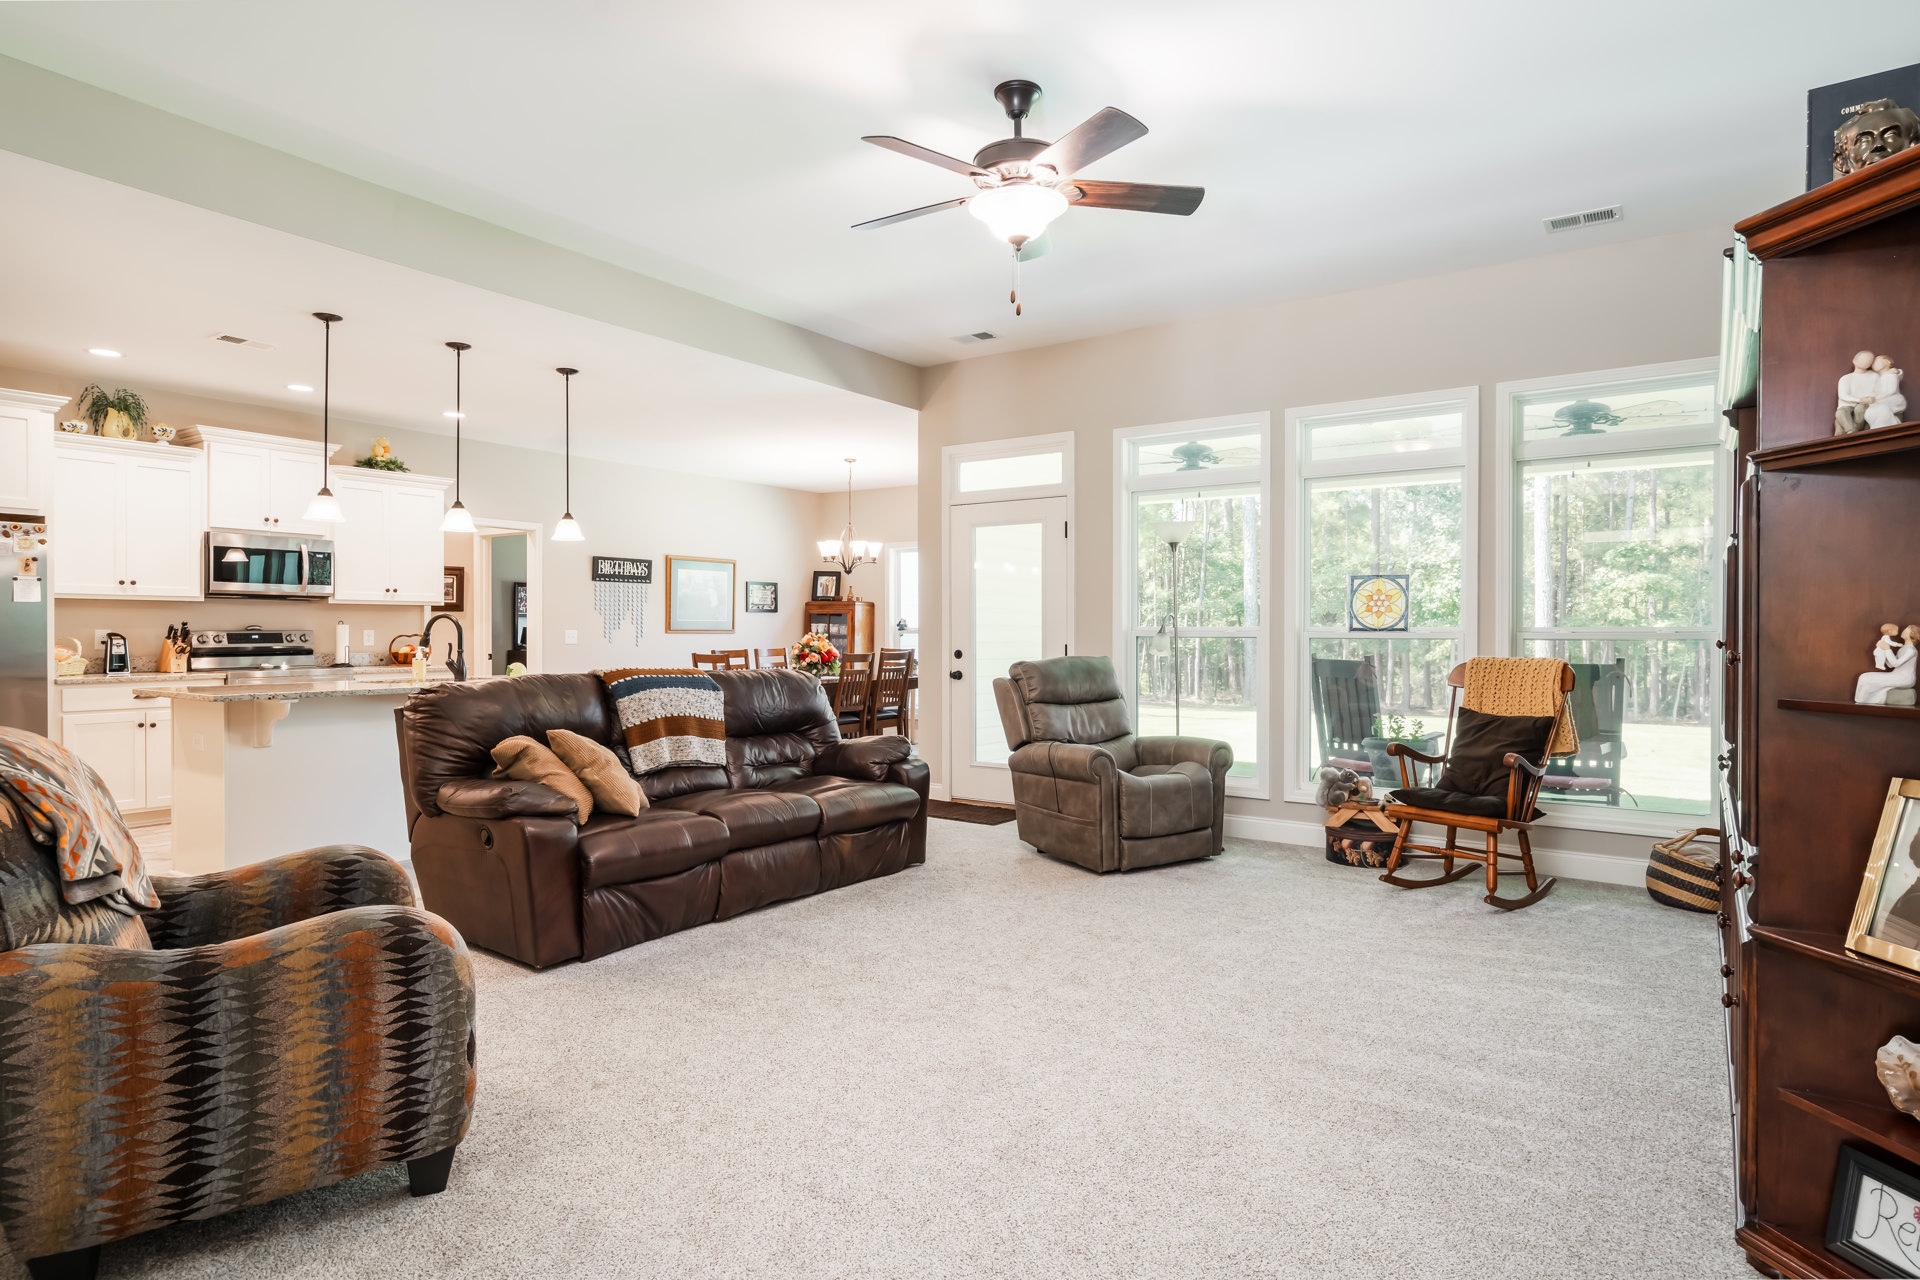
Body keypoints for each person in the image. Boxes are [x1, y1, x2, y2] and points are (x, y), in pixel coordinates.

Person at [1858, 625, 1920, 704]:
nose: (1904, 630)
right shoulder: (1903, 648)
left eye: (1907, 629)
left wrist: (1887, 649)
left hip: (1905, 678)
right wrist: (1883, 651)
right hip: (1896, 675)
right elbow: (1891, 665)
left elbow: (1896, 664)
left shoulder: (1911, 650)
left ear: (1913, 634)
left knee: (1867, 679)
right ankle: (1861, 701)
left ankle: (1866, 701)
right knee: (1863, 676)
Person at [1837, 350, 1882, 434]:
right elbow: (1843, 395)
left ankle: (1855, 430)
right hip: (1848, 406)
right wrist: (1860, 399)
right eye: (1864, 358)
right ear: (1855, 361)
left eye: (1870, 359)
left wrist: (1897, 372)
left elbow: (1884, 386)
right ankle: (1851, 431)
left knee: (1860, 408)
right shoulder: (1846, 378)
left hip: (1865, 405)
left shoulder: (1874, 376)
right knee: (1841, 412)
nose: (1866, 361)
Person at [1868, 355, 1908, 430]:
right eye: (1873, 363)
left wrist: (1876, 398)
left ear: (1887, 362)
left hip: (1893, 399)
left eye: (1878, 361)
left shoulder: (1891, 374)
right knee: (1871, 411)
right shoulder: (1877, 378)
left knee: (1880, 409)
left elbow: (1892, 390)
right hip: (1883, 399)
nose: (1875, 364)